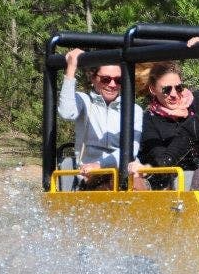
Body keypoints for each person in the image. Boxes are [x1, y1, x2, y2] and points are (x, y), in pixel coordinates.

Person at [137, 61, 199, 212]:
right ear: (153, 89)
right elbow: (160, 159)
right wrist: (188, 128)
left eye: (178, 88)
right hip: (176, 178)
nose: (174, 94)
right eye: (166, 89)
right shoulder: (149, 120)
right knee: (195, 176)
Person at [57, 48, 144, 189]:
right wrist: (71, 68)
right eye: (106, 79)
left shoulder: (134, 110)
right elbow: (66, 113)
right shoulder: (84, 101)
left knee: (133, 178)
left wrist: (101, 165)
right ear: (93, 78)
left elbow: (131, 150)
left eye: (118, 80)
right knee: (107, 185)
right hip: (89, 171)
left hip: (121, 166)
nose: (112, 85)